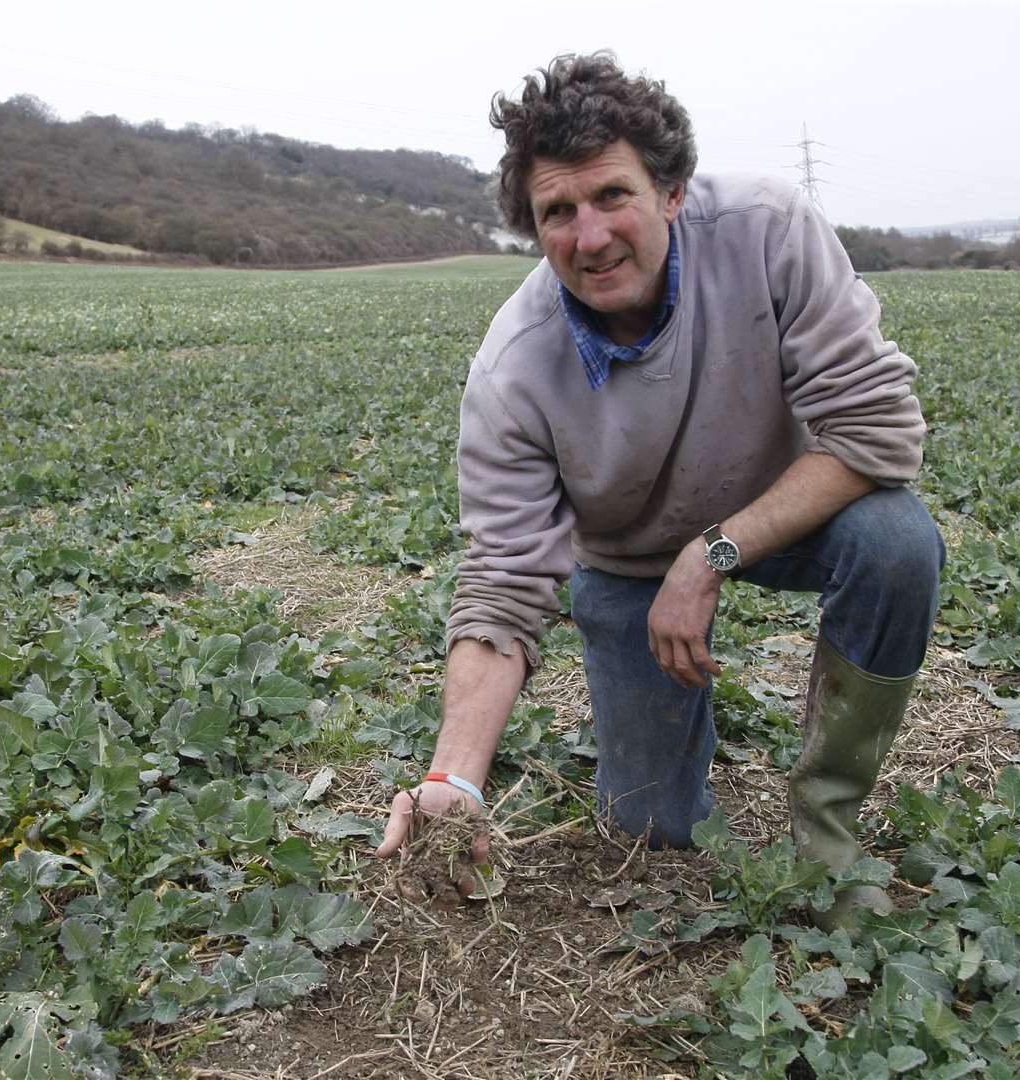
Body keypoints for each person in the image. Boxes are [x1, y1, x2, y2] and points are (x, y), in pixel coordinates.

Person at [375, 52, 945, 931]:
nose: (589, 236)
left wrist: (714, 550)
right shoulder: (514, 370)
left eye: (611, 196)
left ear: (672, 191)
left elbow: (877, 433)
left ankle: (827, 828)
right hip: (629, 565)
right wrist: (453, 777)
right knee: (647, 828)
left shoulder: (766, 228)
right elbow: (501, 585)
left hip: (789, 513)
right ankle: (672, 740)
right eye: (556, 212)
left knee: (898, 541)